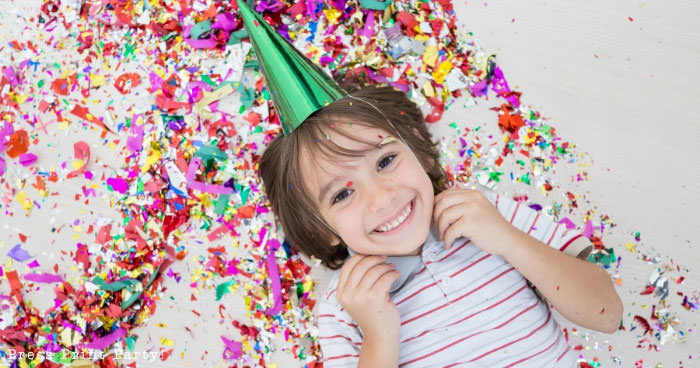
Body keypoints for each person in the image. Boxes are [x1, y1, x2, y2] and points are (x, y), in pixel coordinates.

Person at [236, 1, 622, 366]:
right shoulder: (344, 307)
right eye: (342, 193)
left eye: (386, 160)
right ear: (318, 228)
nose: (382, 197)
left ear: (418, 153)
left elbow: (607, 314)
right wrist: (378, 337)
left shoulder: (485, 214)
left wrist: (506, 239)